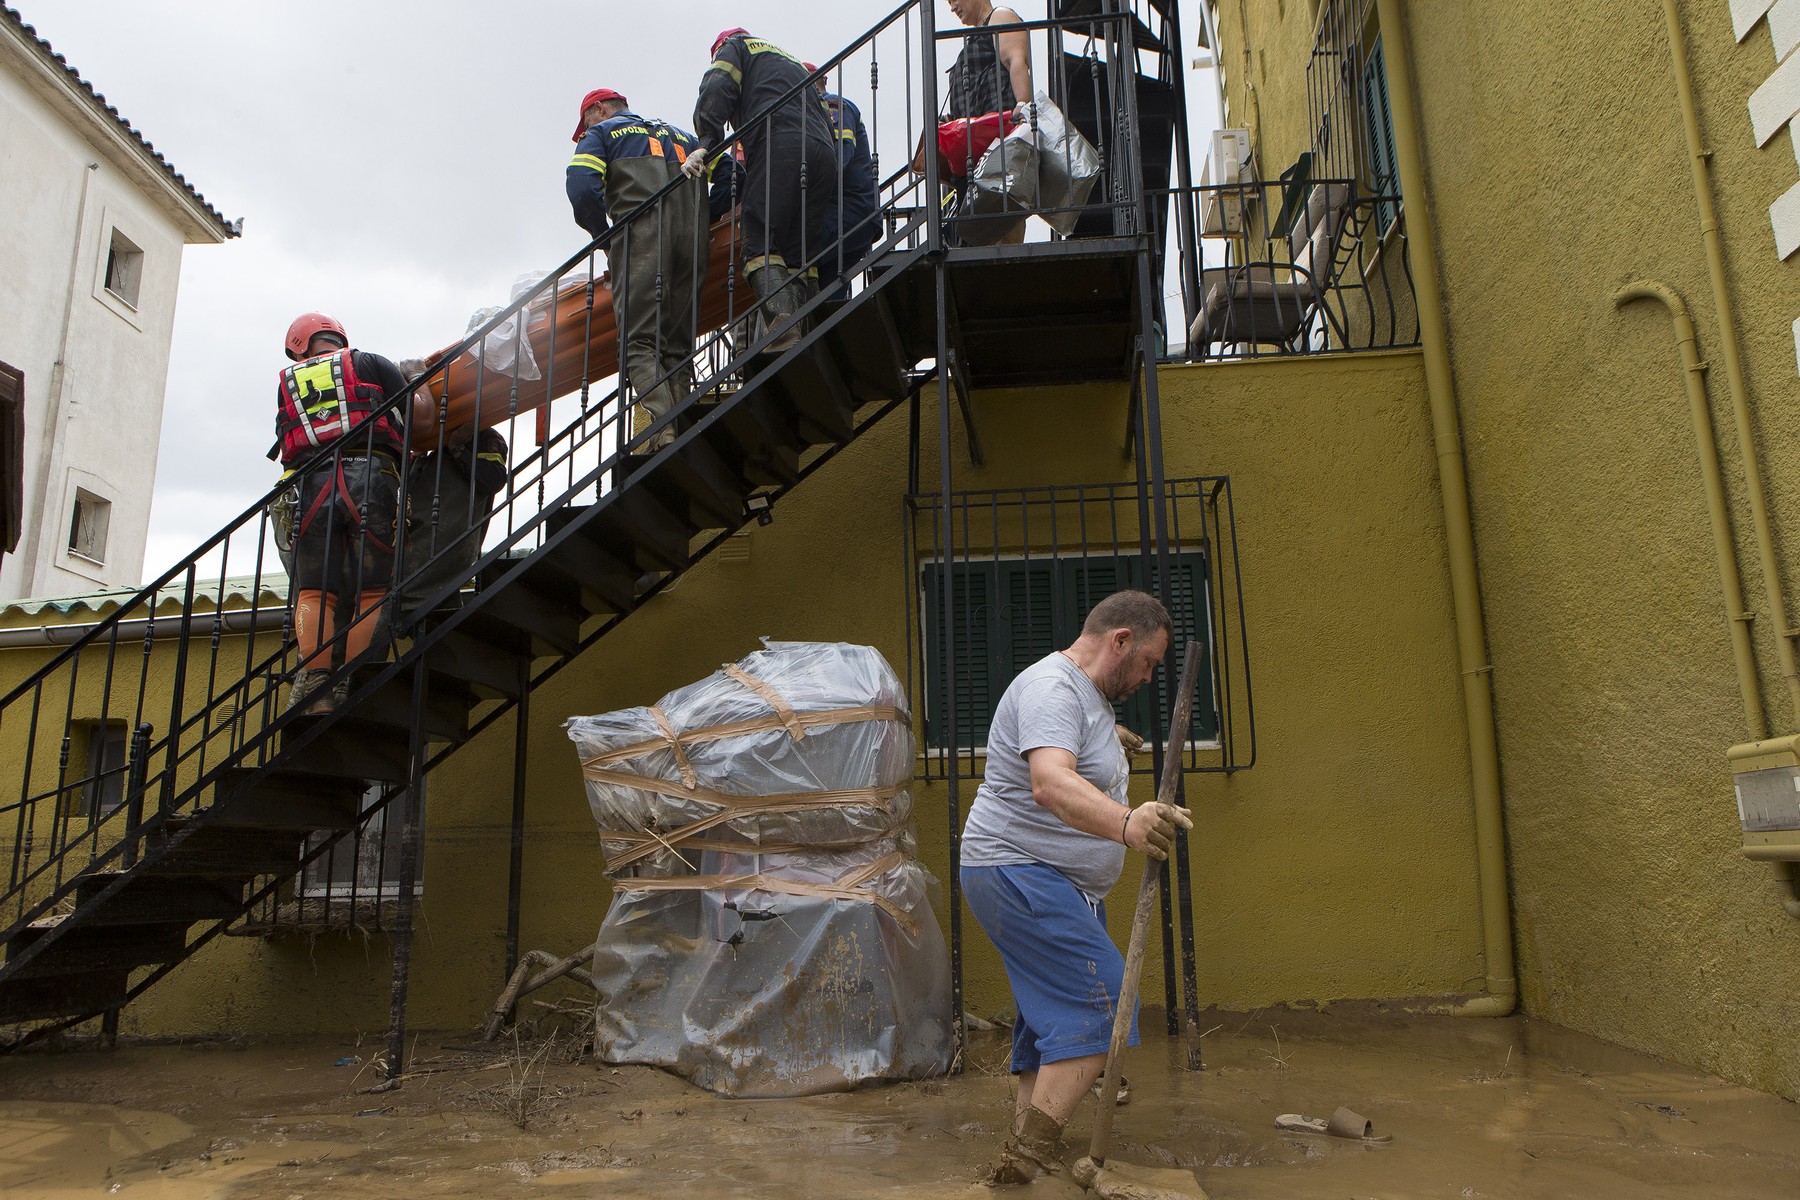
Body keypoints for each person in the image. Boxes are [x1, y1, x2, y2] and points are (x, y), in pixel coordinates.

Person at [958, 589, 1193, 1186]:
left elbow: (1068, 752)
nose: (1148, 677)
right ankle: (1023, 1161)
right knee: (1104, 1004)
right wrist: (1125, 822)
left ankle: (1024, 1153)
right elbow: (1049, 783)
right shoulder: (1052, 690)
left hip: (1051, 880)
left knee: (1051, 1020)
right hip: (1019, 870)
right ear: (1120, 641)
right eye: (1147, 663)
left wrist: (1108, 742)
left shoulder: (1083, 701)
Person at [273, 313, 426, 714]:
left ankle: (316, 682)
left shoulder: (287, 383)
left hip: (309, 486)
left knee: (313, 592)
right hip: (372, 480)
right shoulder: (371, 363)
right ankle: (350, 680)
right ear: (338, 338)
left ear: (299, 345)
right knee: (371, 591)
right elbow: (417, 417)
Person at [567, 88, 711, 451]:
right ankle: (682, 421)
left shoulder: (600, 135)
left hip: (642, 236)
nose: (585, 127)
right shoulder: (682, 136)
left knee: (638, 343)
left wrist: (608, 239)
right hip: (693, 240)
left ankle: (664, 430)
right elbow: (732, 171)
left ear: (598, 109)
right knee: (677, 343)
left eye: (585, 119)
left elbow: (582, 190)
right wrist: (707, 215)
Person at [685, 29, 840, 354]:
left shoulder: (735, 47)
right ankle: (809, 337)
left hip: (780, 142)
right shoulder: (788, 60)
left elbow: (717, 87)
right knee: (798, 253)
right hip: (824, 154)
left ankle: (784, 329)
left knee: (757, 239)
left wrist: (706, 143)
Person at [392, 425, 508, 627]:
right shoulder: (430, 446)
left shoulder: (484, 438)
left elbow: (493, 478)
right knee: (440, 611)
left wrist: (458, 451)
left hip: (443, 542)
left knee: (399, 601)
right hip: (422, 537)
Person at [942, 0, 1033, 245]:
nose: (952, 7)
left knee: (1003, 225)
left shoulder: (1000, 17)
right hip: (977, 155)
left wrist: (1024, 105)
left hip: (1000, 144)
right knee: (980, 233)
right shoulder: (975, 36)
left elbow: (1016, 60)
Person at [807, 63, 880, 297]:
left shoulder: (831, 107)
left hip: (849, 211)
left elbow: (839, 158)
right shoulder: (814, 115)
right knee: (828, 294)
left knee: (797, 247)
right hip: (841, 212)